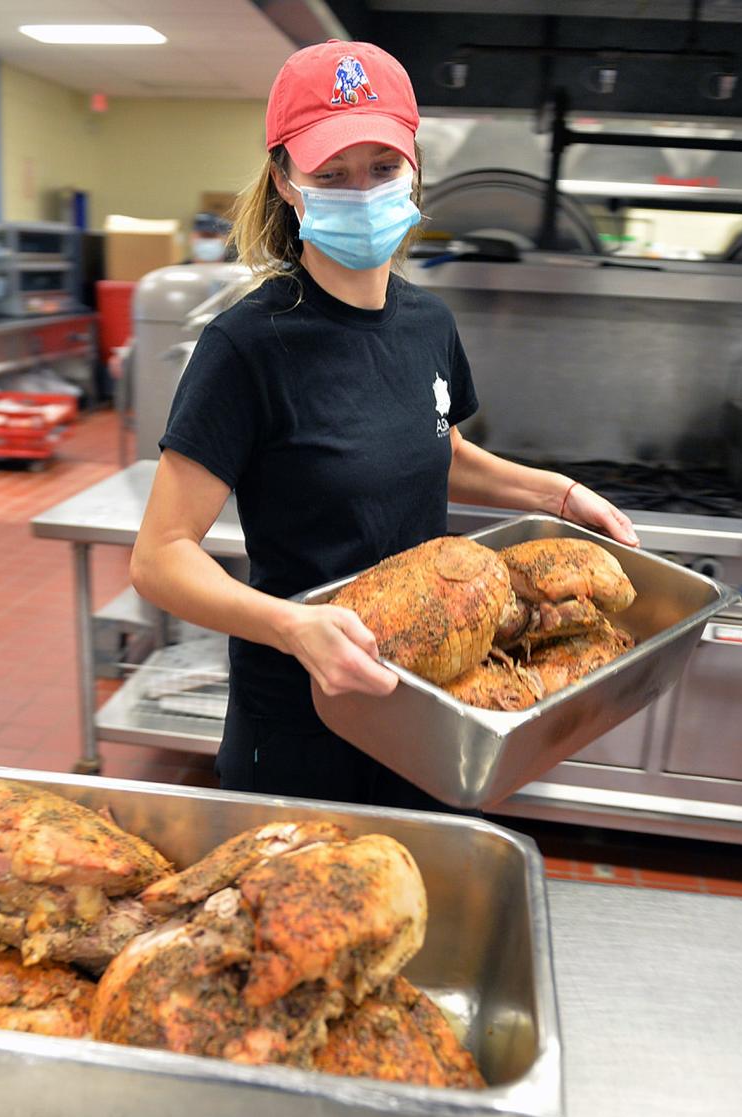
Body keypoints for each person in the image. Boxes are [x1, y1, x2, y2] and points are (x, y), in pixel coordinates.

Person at [130, 38, 639, 812]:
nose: (360, 192)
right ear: (286, 183)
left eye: (382, 168)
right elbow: (161, 558)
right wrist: (296, 627)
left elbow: (441, 448)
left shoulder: (427, 323)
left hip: (431, 695)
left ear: (414, 171)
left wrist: (560, 495)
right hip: (300, 710)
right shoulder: (247, 345)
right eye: (331, 175)